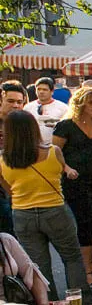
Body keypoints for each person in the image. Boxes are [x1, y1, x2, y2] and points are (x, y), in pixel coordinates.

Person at [0, 110, 92, 305]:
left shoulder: (3, 161)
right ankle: (83, 304)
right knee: (71, 257)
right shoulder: (54, 152)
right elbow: (59, 173)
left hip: (23, 214)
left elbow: (8, 190)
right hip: (55, 210)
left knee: (38, 263)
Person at [52, 87, 92, 288]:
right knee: (85, 221)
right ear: (80, 103)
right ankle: (85, 270)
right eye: (91, 102)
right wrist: (66, 168)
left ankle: (90, 263)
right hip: (76, 180)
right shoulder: (65, 126)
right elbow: (54, 151)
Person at [0, 81, 29, 235]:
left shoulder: (24, 124)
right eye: (10, 101)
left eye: (19, 102)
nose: (16, 105)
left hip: (19, 189)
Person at [27, 76, 69, 145]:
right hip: (33, 146)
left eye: (45, 90)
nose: (41, 92)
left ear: (52, 91)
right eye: (39, 89)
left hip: (54, 147)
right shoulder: (28, 107)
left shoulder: (63, 108)